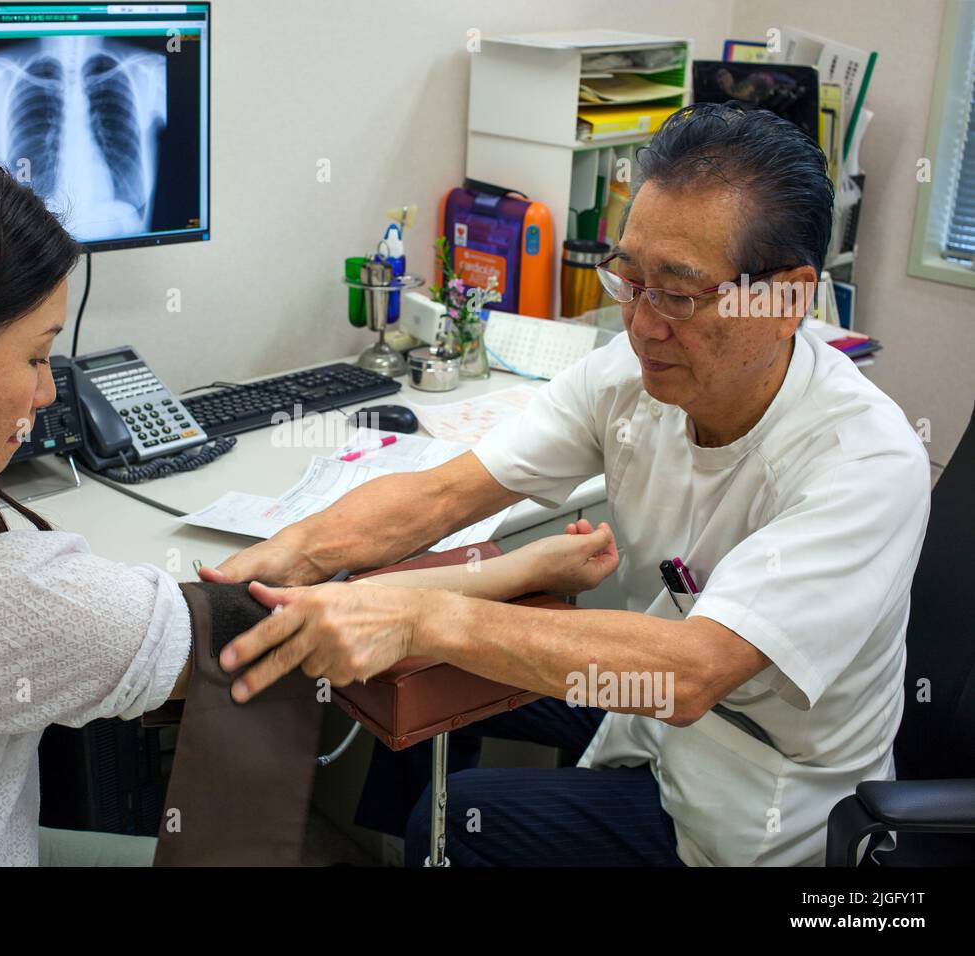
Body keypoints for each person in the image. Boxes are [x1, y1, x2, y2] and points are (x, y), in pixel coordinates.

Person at [0, 147, 615, 866]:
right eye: (38, 356)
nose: (48, 394)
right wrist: (523, 566)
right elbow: (278, 633)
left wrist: (293, 553)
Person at [202, 104, 933, 866]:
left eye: (679, 293)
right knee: (434, 669)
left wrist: (418, 617)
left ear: (786, 299)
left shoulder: (863, 462)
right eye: (630, 278)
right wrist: (292, 554)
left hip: (765, 803)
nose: (644, 324)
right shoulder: (637, 374)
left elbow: (692, 673)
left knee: (461, 815)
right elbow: (449, 492)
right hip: (654, 720)